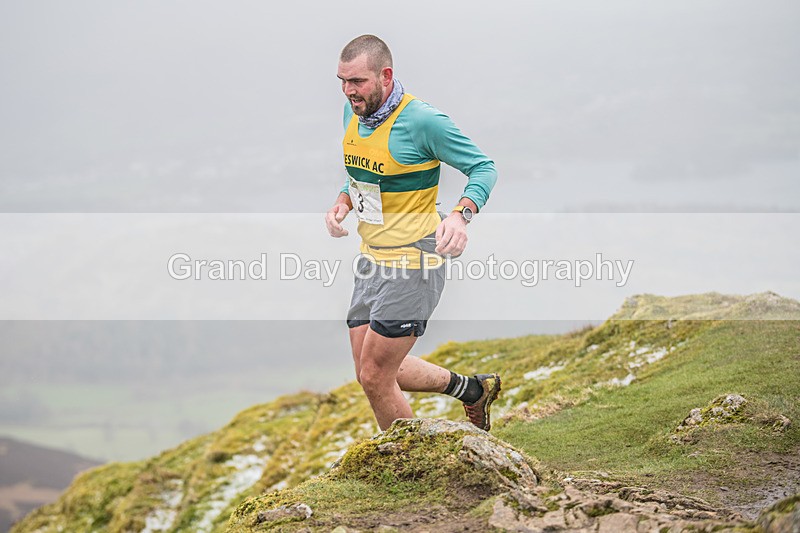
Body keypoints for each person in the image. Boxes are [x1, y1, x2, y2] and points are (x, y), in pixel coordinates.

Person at [324, 34, 500, 432]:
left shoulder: (422, 121)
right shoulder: (354, 112)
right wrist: (343, 202)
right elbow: (361, 172)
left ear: (385, 76)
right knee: (373, 369)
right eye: (342, 81)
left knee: (374, 375)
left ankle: (411, 469)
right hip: (372, 257)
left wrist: (460, 215)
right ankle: (472, 390)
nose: (348, 91)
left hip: (414, 258)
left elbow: (483, 167)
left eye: (357, 82)